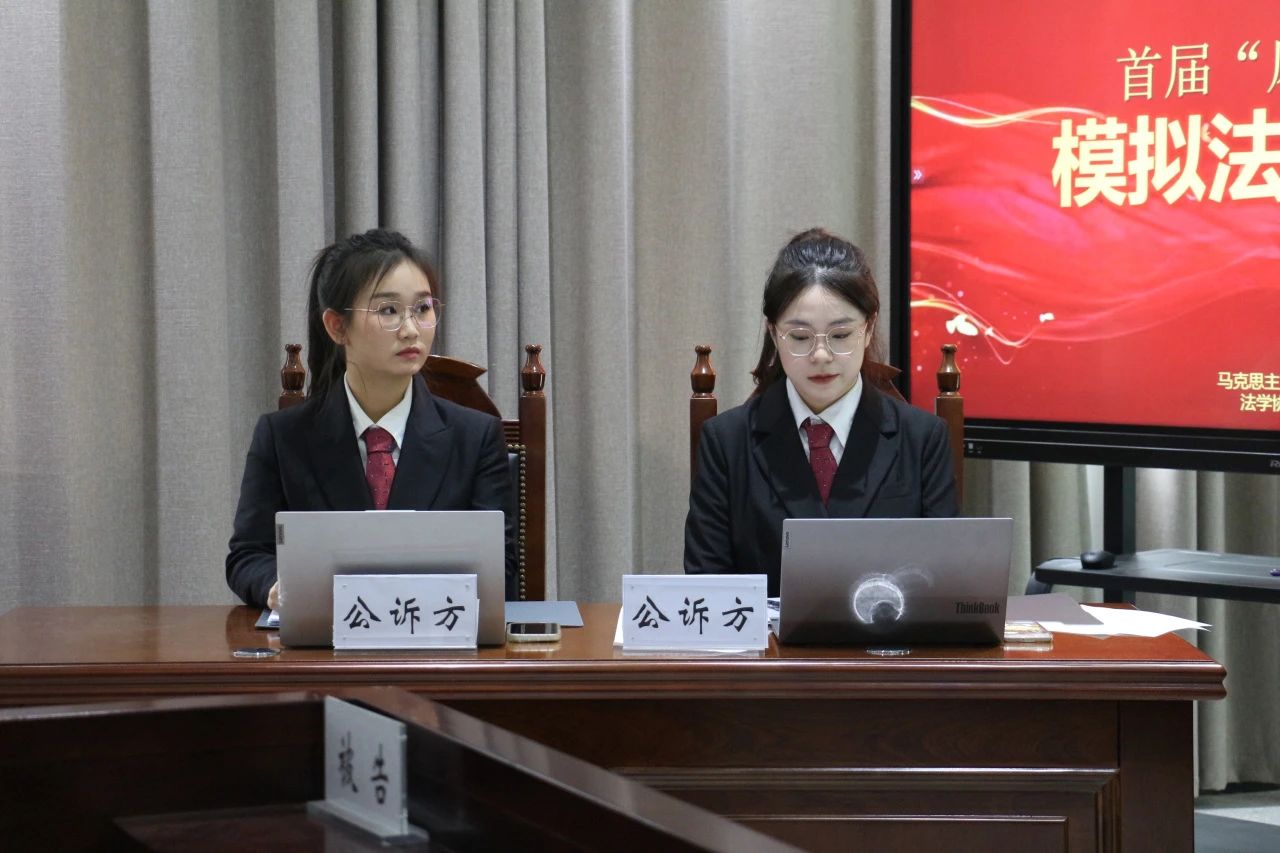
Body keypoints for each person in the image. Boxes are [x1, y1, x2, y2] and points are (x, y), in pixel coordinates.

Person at [227, 228, 514, 609]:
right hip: (324, 639)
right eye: (388, 310)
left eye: (423, 308)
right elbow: (248, 555)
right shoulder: (283, 437)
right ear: (337, 326)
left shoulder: (476, 438)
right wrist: (278, 588)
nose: (411, 330)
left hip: (433, 636)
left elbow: (500, 570)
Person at [684, 227, 958, 595]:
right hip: (769, 634)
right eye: (800, 337)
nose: (821, 355)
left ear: (868, 327)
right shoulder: (726, 442)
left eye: (840, 335)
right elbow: (707, 586)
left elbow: (943, 583)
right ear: (773, 333)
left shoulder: (923, 439)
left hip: (885, 631)